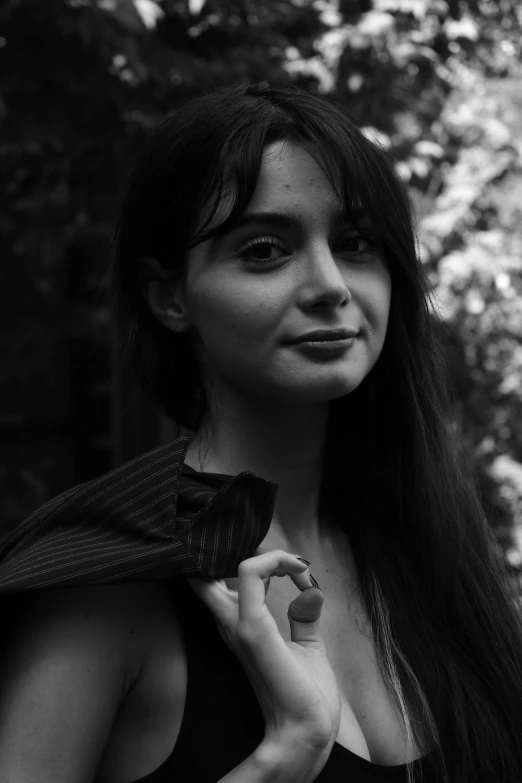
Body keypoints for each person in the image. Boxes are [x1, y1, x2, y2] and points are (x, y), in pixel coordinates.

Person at [0, 79, 521, 783]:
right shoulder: (110, 581)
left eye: (356, 242)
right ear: (170, 296)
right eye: (266, 250)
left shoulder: (423, 544)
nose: (330, 283)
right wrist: (287, 753)